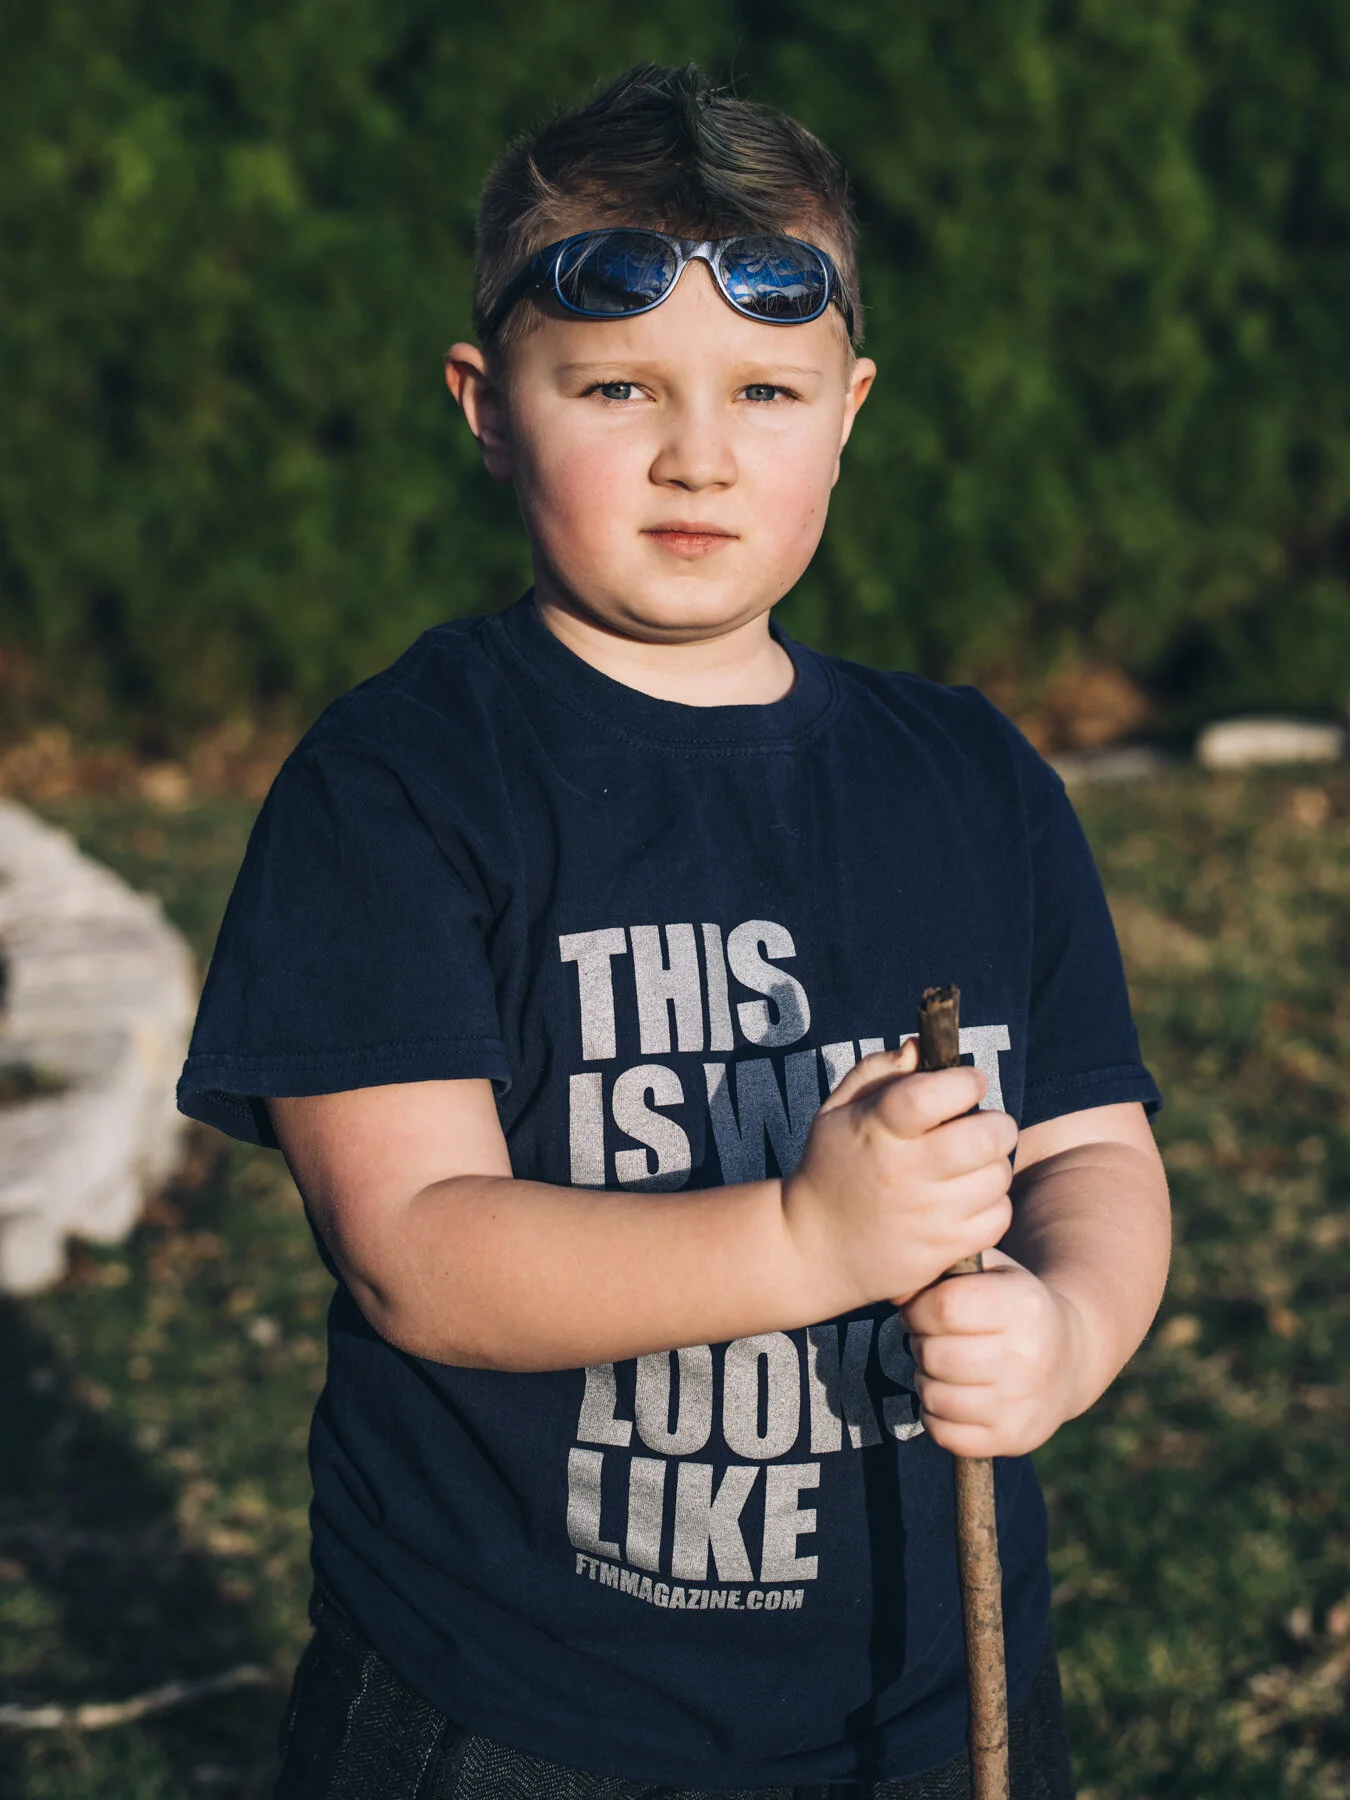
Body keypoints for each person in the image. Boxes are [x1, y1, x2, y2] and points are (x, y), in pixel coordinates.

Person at [178, 62, 1169, 1800]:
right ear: (488, 406)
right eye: (616, 385)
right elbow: (414, 1248)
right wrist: (805, 1237)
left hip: (930, 1704)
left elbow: (1092, 1147)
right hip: (514, 1718)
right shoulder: (405, 778)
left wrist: (1071, 1329)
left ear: (848, 411)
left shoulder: (968, 777)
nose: (697, 453)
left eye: (765, 391)